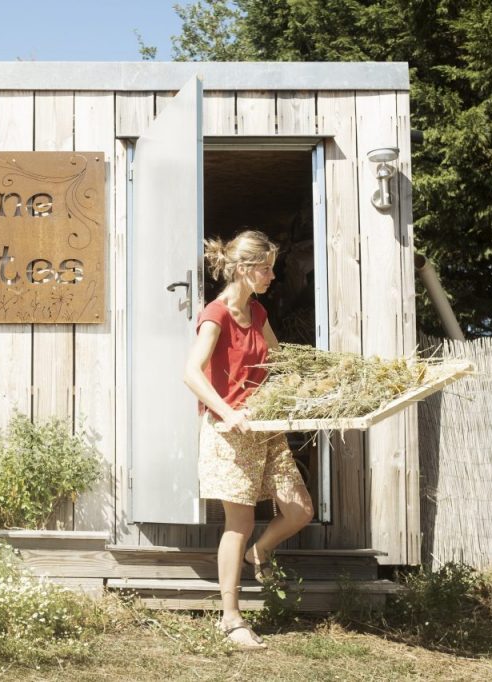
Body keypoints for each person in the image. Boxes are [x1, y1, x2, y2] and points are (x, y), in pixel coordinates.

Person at [182, 228, 314, 650]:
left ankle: (261, 553)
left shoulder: (256, 313)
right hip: (230, 432)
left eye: (272, 269)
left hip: (265, 428)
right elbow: (191, 372)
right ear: (243, 268)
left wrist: (305, 383)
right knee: (237, 524)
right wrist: (227, 411)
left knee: (300, 510)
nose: (272, 276)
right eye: (266, 268)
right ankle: (231, 617)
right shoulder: (215, 314)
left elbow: (277, 359)